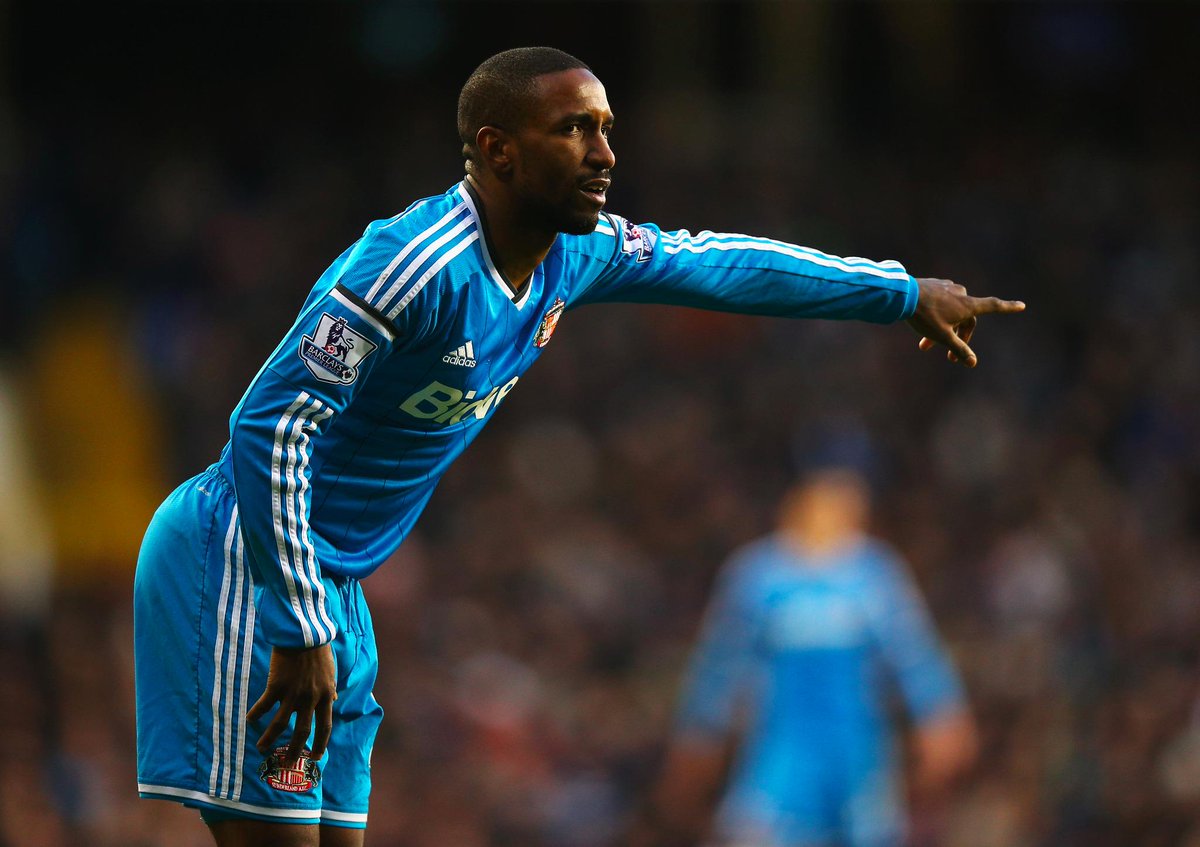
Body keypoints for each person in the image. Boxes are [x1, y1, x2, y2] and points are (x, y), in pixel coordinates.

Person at [132, 46, 1021, 847]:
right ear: (497, 149)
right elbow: (270, 425)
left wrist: (900, 293)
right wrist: (295, 623)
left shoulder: (578, 253)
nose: (605, 154)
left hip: (333, 583)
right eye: (574, 130)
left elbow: (721, 263)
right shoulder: (410, 266)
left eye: (606, 128)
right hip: (249, 556)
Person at [649, 467, 979, 847]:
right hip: (782, 747)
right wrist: (699, 732)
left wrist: (941, 713)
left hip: (857, 749)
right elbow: (720, 663)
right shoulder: (759, 575)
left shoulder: (873, 573)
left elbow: (913, 652)